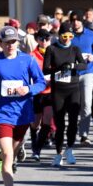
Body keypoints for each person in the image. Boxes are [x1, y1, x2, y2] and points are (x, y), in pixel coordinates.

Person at [0, 25, 46, 186]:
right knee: (10, 155)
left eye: (13, 41)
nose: (10, 45)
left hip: (23, 114)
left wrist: (29, 89)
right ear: (0, 43)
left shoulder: (28, 60)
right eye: (7, 42)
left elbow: (41, 82)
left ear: (18, 42)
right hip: (2, 114)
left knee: (12, 154)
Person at [43, 22, 87, 167]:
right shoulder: (52, 48)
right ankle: (58, 153)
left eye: (70, 35)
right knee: (60, 123)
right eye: (64, 35)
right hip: (58, 90)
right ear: (59, 35)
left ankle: (69, 149)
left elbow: (83, 65)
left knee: (73, 121)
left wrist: (73, 66)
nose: (67, 38)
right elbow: (45, 70)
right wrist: (58, 69)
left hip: (73, 89)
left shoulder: (75, 49)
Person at [69, 9, 93, 146]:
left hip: (88, 71)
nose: (75, 22)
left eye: (77, 20)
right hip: (73, 73)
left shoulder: (91, 34)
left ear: (82, 20)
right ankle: (72, 131)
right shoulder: (69, 36)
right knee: (74, 104)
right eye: (73, 20)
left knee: (87, 103)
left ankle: (84, 134)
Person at [29, 29, 54, 161]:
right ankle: (34, 140)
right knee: (35, 123)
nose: (44, 42)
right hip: (37, 93)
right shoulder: (32, 56)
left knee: (47, 121)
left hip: (50, 92)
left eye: (47, 39)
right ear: (37, 40)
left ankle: (37, 149)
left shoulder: (54, 53)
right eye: (41, 39)